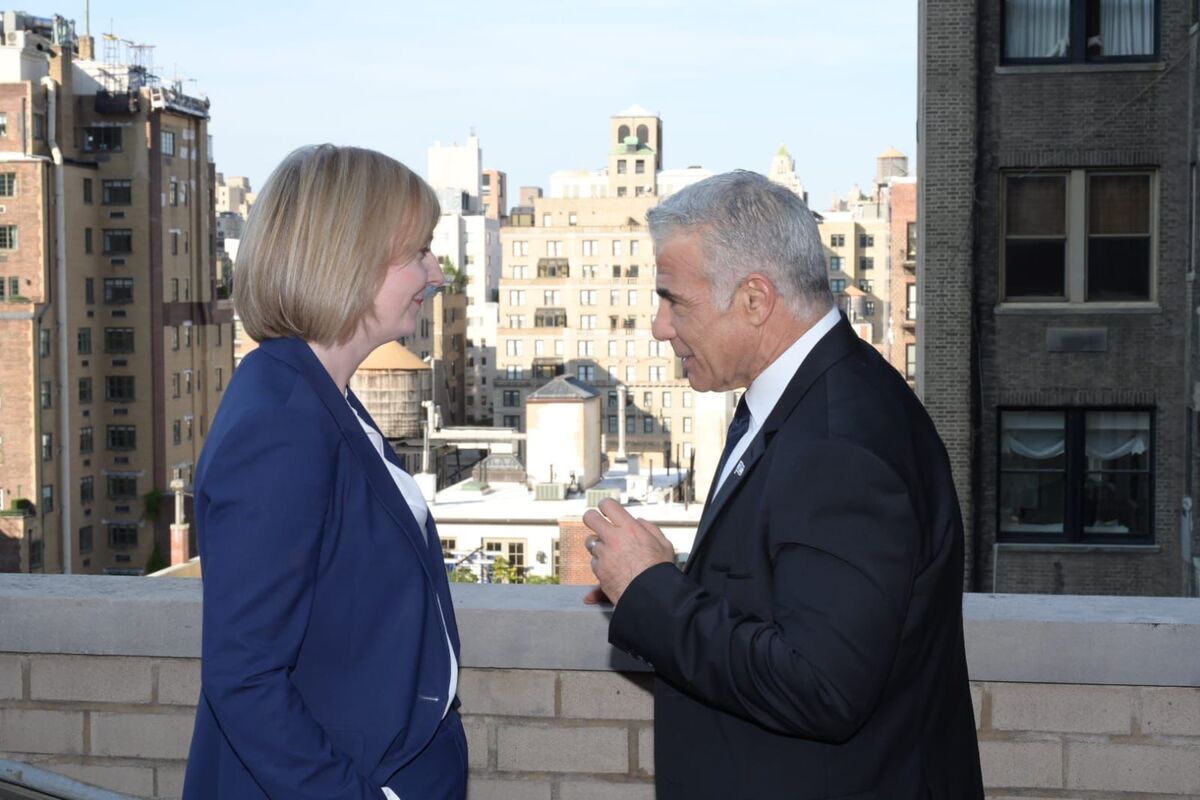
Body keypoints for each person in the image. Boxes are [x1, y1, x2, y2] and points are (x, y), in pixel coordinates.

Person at [583, 171, 984, 799]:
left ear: (754, 299)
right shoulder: (806, 402)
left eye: (674, 300)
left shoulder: (836, 445)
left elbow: (820, 685)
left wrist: (651, 590)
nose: (661, 326)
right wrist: (658, 583)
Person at [183, 145, 466, 800]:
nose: (439, 273)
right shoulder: (281, 423)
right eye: (419, 252)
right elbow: (246, 680)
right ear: (350, 258)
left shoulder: (323, 398)